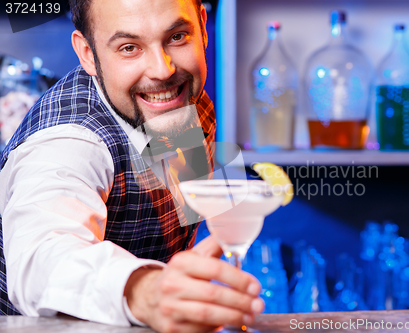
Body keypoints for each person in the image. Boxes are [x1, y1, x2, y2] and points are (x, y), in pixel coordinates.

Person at [0, 0, 265, 332]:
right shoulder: (69, 142)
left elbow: (181, 218)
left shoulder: (174, 102)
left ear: (201, 26)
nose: (162, 69)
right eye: (129, 47)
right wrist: (146, 292)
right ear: (86, 53)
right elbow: (42, 258)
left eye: (178, 37)